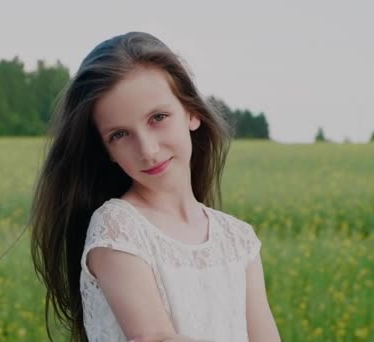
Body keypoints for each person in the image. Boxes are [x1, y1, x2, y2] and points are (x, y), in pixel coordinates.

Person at [29, 31, 280, 342]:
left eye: (158, 117)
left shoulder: (238, 240)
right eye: (119, 135)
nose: (147, 149)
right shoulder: (118, 229)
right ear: (106, 151)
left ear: (192, 112)